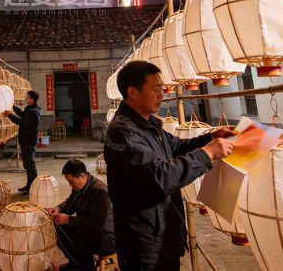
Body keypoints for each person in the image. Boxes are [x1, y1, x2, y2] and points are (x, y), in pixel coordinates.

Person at [104, 61, 236, 271]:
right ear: (133, 92)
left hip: (162, 236)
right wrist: (208, 153)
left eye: (162, 88)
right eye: (155, 88)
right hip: (144, 243)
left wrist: (210, 137)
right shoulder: (123, 132)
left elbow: (176, 147)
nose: (162, 94)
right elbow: (160, 175)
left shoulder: (147, 124)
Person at [48, 159, 116, 271]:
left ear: (82, 176)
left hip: (108, 238)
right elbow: (70, 203)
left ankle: (88, 268)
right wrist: (58, 208)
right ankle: (75, 262)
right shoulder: (79, 187)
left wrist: (69, 219)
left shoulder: (99, 191)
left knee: (79, 235)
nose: (70, 185)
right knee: (57, 226)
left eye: (71, 181)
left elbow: (96, 224)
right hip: (90, 230)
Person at [4, 89, 41, 194]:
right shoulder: (31, 108)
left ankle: (32, 188)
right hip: (26, 140)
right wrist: (13, 107)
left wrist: (10, 115)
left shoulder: (33, 111)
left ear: (32, 99)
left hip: (28, 141)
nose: (25, 98)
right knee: (27, 165)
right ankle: (29, 185)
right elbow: (22, 114)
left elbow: (23, 122)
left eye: (27, 97)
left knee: (30, 165)